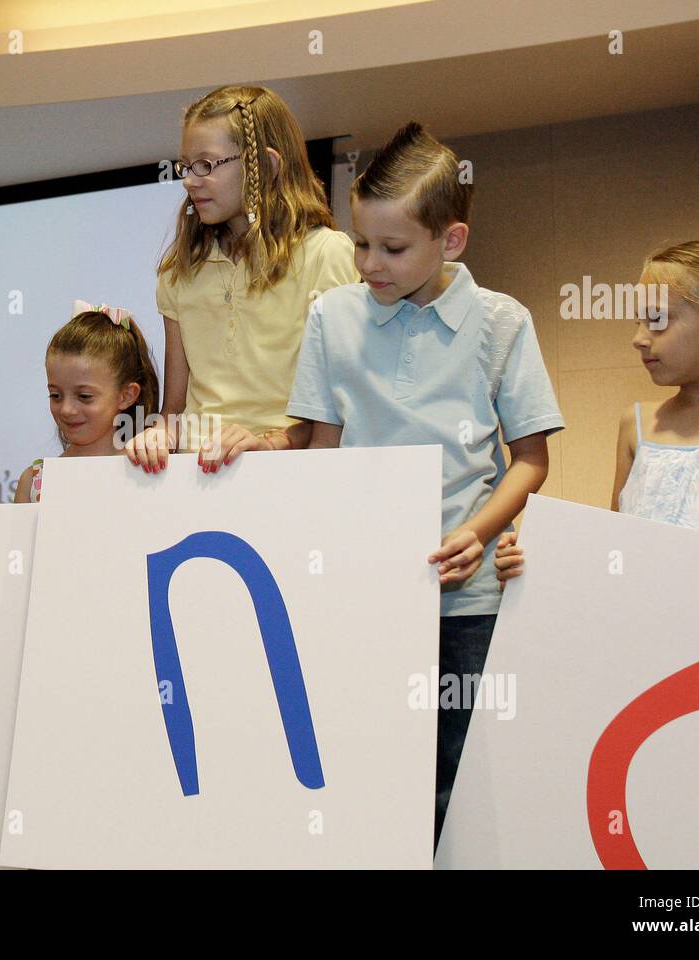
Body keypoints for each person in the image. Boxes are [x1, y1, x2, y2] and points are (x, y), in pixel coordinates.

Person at [285, 121, 564, 846]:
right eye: (361, 244)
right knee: (365, 774)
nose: (370, 264)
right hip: (361, 590)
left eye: (393, 247)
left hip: (468, 601)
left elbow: (531, 458)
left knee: (465, 781)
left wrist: (475, 534)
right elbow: (321, 447)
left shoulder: (503, 323)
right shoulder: (330, 317)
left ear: (453, 240)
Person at [495, 237, 699, 584]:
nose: (638, 338)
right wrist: (543, 558)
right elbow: (616, 557)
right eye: (638, 321)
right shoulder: (638, 427)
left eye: (657, 320)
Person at [124, 84, 358, 474]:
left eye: (207, 165)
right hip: (198, 476)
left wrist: (269, 444)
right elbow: (174, 410)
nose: (189, 181)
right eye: (186, 166)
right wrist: (158, 435)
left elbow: (342, 411)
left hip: (290, 476)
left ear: (265, 166)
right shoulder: (179, 271)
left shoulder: (327, 254)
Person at [15, 302, 160, 503]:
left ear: (126, 396)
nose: (66, 409)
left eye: (84, 396)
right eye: (55, 395)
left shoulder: (149, 471)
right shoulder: (33, 481)